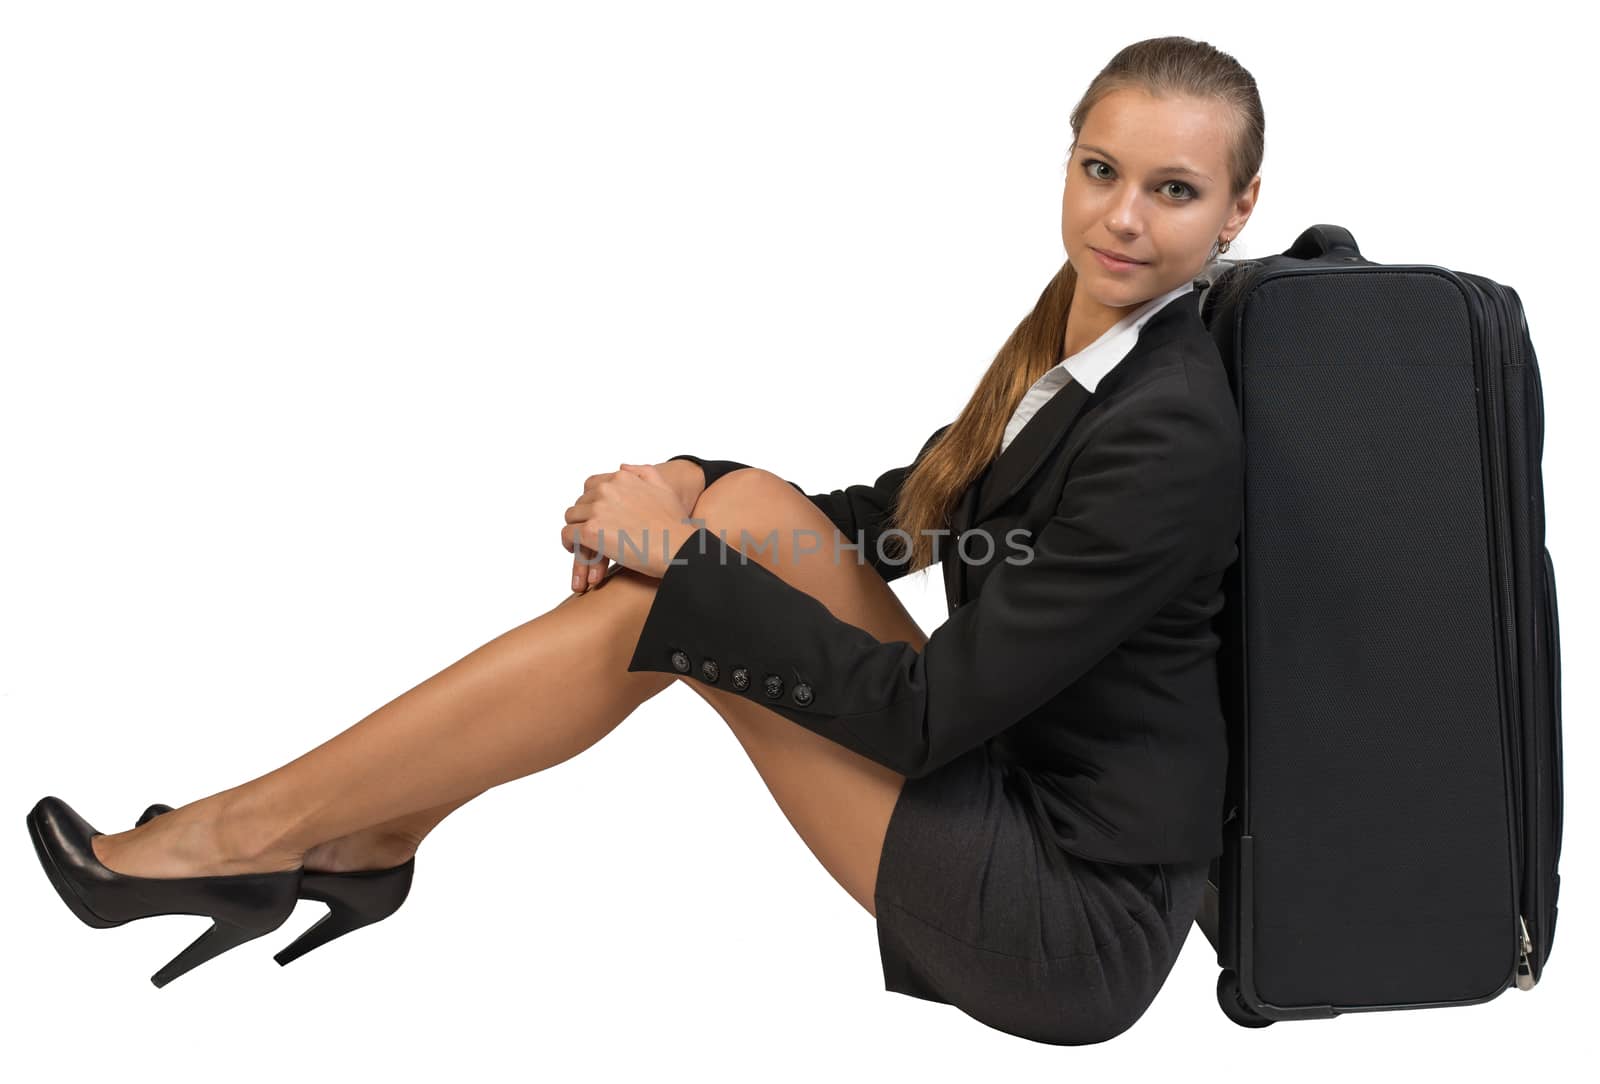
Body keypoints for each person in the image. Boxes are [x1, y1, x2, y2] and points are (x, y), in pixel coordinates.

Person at [28, 34, 1260, 1043]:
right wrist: (690, 480)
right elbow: (904, 516)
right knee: (733, 519)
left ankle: (263, 836)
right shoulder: (1091, 338)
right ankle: (352, 834)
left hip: (1062, 916)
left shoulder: (1170, 429)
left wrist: (680, 562)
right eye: (1100, 170)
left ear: (1236, 208)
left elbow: (926, 714)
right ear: (1067, 162)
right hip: (1021, 797)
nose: (1122, 220)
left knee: (682, 594)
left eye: (1173, 191)